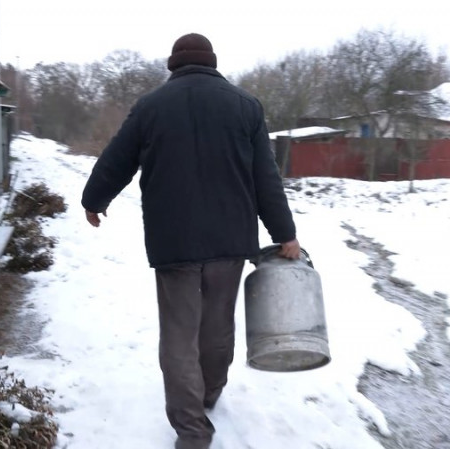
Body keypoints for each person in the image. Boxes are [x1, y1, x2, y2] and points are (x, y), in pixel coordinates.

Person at [81, 33, 300, 449]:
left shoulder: (149, 108)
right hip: (229, 241)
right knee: (217, 328)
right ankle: (208, 395)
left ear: (172, 66)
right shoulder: (245, 106)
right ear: (213, 63)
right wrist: (284, 233)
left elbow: (116, 160)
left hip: (174, 242)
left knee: (180, 336)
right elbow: (265, 179)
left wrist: (94, 200)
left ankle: (192, 430)